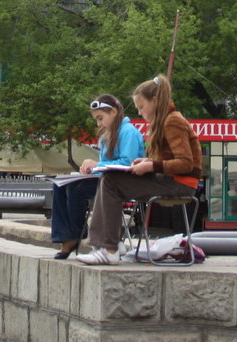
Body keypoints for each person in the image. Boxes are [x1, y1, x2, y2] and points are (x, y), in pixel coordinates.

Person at [78, 74, 202, 266]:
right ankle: (107, 245)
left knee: (110, 181)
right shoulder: (163, 122)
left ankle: (109, 249)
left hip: (180, 184)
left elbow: (185, 163)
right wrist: (147, 161)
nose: (140, 112)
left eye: (141, 107)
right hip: (170, 180)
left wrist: (151, 165)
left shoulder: (172, 121)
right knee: (108, 179)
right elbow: (168, 159)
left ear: (155, 101)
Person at [51, 94, 145, 259]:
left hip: (124, 182)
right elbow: (104, 166)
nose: (98, 123)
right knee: (59, 185)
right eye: (96, 120)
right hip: (107, 179)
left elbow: (128, 162)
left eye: (100, 118)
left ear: (114, 112)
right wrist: (90, 170)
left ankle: (75, 235)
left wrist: (96, 165)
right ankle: (67, 236)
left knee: (76, 190)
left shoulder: (128, 132)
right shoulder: (106, 135)